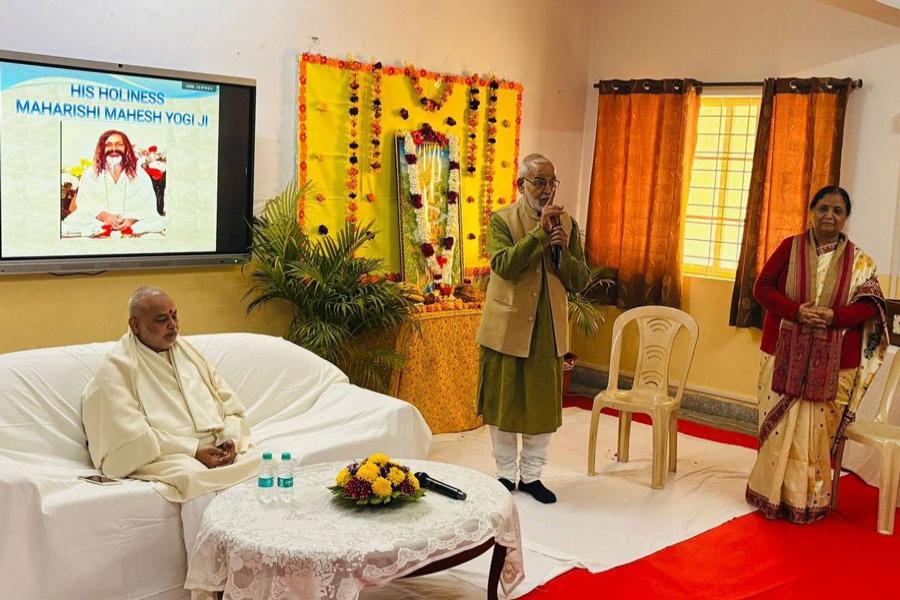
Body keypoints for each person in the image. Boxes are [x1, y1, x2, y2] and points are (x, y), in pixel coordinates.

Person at [746, 185, 888, 523]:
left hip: (833, 363)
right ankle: (772, 494)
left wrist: (834, 317)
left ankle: (809, 500)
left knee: (816, 435)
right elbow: (761, 289)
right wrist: (796, 311)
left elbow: (872, 306)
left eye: (838, 211)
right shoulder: (789, 249)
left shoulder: (860, 261)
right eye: (823, 208)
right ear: (812, 211)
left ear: (845, 218)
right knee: (781, 429)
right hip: (782, 353)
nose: (830, 216)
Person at [475, 153, 591, 504]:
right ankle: (505, 474)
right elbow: (504, 266)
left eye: (551, 182)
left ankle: (532, 476)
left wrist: (562, 252)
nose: (546, 190)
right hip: (507, 327)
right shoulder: (502, 220)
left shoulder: (566, 224)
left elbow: (580, 279)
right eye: (538, 181)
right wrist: (539, 235)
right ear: (520, 183)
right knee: (505, 403)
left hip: (548, 329)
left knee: (541, 406)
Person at [82, 287, 259, 503]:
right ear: (135, 325)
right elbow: (132, 437)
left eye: (174, 316)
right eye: (161, 319)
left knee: (262, 463)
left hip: (216, 445)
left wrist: (229, 439)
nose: (172, 325)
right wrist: (194, 450)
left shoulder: (189, 355)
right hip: (167, 455)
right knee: (193, 478)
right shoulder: (117, 368)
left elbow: (230, 406)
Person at [63, 129, 165, 236]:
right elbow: (85, 201)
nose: (114, 149)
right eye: (108, 145)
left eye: (119, 144)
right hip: (98, 220)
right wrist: (104, 216)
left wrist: (132, 220)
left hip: (131, 221)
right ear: (102, 148)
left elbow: (147, 204)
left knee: (155, 222)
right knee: (77, 220)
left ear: (126, 148)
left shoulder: (139, 173)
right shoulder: (91, 172)